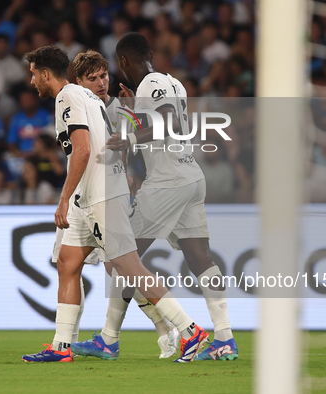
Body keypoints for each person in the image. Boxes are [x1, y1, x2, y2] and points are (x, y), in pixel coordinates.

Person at [21, 45, 208, 363]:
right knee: (68, 263)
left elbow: (81, 150)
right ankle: (61, 346)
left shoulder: (69, 97)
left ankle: (191, 331)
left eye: (33, 74)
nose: (31, 82)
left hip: (100, 194)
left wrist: (63, 199)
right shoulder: (91, 99)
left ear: (44, 73)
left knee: (128, 267)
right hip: (91, 194)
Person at [94, 33, 238, 361]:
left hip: (167, 181)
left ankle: (112, 338)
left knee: (120, 256)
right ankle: (225, 337)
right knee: (201, 257)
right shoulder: (174, 83)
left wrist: (129, 139)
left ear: (124, 62)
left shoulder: (150, 85)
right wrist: (133, 111)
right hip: (190, 175)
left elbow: (169, 123)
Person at [71, 49, 180, 358]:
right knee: (118, 269)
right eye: (92, 79)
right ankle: (163, 331)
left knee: (123, 267)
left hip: (115, 196)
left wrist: (135, 180)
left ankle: (171, 330)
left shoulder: (121, 108)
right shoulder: (77, 109)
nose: (101, 83)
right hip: (90, 197)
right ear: (79, 82)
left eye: (103, 76)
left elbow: (140, 147)